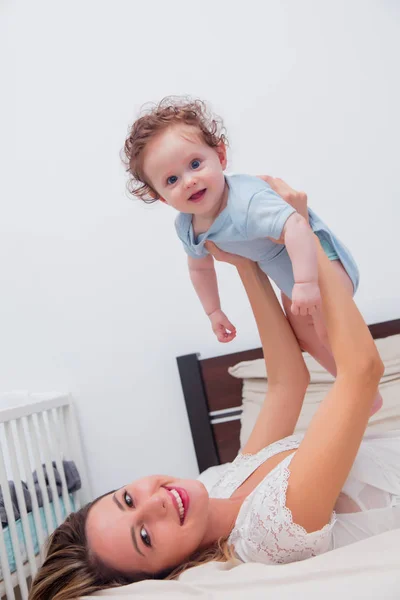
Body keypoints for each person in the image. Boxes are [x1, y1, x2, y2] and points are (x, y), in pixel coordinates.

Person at [29, 178, 400, 600]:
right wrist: (303, 233)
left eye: (129, 499)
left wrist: (243, 258)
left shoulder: (220, 485)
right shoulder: (269, 531)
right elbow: (361, 371)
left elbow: (286, 383)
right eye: (146, 536)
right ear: (166, 574)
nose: (157, 503)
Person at [122, 96, 382, 415]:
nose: (188, 181)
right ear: (161, 198)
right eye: (172, 180)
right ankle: (360, 392)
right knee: (304, 335)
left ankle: (359, 384)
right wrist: (214, 312)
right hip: (288, 275)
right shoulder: (188, 226)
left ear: (220, 156)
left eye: (195, 164)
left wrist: (307, 283)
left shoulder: (248, 202)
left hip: (319, 262)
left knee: (326, 326)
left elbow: (297, 225)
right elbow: (200, 268)